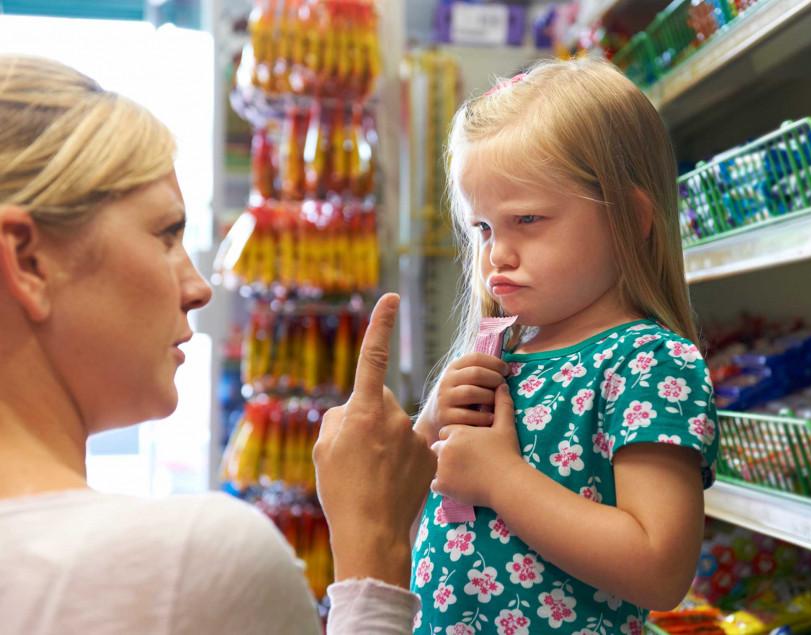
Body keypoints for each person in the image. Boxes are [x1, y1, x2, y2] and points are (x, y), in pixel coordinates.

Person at [0, 54, 431, 634]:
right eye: (165, 235)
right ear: (28, 262)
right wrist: (375, 551)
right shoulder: (186, 562)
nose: (199, 287)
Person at [410, 57, 719, 633]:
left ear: (629, 218)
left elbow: (660, 569)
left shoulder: (648, 363)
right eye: (482, 227)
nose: (497, 254)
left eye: (527, 218)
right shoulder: (504, 358)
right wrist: (429, 429)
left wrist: (500, 479)